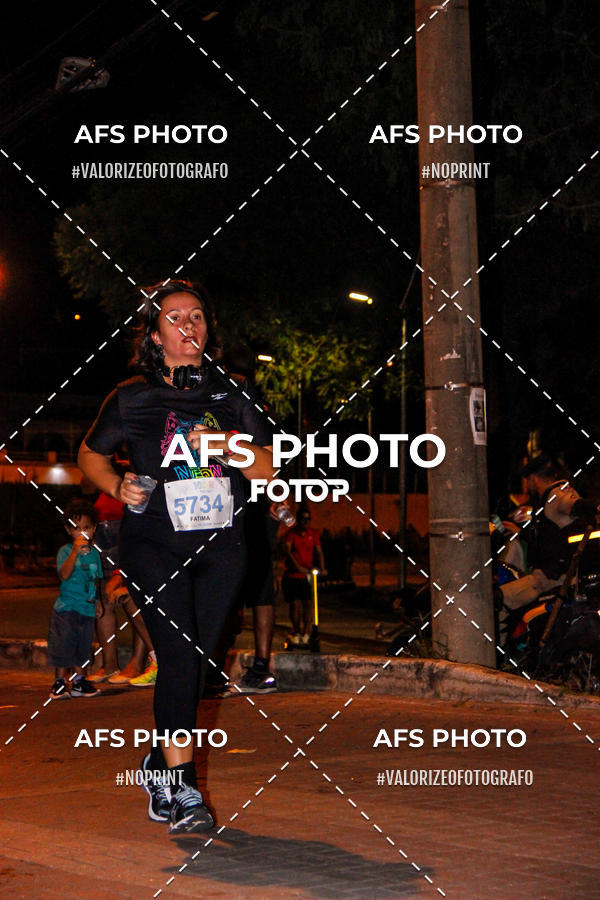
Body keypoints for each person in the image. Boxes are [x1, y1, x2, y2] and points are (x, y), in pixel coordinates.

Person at [78, 280, 275, 833]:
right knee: (181, 659)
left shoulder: (234, 392)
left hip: (222, 545)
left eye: (197, 316)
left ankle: (159, 768)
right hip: (154, 543)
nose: (188, 325)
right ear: (155, 333)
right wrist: (117, 487)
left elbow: (267, 470)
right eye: (174, 317)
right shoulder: (133, 397)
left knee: (202, 664)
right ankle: (184, 792)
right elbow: (89, 455)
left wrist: (222, 443)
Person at [498, 456, 599, 622]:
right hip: (560, 576)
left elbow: (570, 504)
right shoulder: (551, 496)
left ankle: (491, 647)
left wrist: (595, 506)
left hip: (550, 579)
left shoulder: (556, 493)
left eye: (527, 479)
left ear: (534, 478)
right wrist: (522, 533)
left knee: (499, 599)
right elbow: (550, 540)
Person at [89, 489, 158, 687]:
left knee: (132, 597)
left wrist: (121, 574)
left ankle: (143, 662)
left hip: (130, 533)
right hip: (110, 534)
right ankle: (110, 664)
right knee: (105, 599)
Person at [47, 498, 102, 699]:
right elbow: (65, 574)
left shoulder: (94, 554)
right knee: (64, 645)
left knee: (83, 646)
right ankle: (59, 682)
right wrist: (74, 553)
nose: (82, 532)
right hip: (67, 608)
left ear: (94, 528)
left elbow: (95, 580)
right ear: (69, 531)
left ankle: (79, 681)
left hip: (87, 608)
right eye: (77, 528)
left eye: (86, 528)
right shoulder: (65, 551)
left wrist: (98, 602)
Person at [282, 507, 326, 643]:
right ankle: (297, 631)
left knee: (308, 603)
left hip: (307, 575)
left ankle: (306, 632)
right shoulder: (291, 534)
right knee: (295, 604)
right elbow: (287, 550)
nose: (305, 522)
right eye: (302, 519)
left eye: (308, 519)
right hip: (293, 575)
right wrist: (297, 567)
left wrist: (322, 568)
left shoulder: (313, 534)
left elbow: (319, 552)